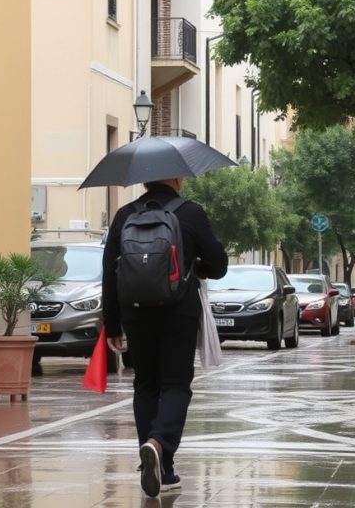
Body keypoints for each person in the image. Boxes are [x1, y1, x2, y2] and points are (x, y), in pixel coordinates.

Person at [102, 177, 228, 498]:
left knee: (145, 384)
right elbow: (219, 265)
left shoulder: (124, 216)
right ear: (175, 178)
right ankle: (158, 444)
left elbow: (109, 272)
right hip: (178, 312)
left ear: (144, 179)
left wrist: (112, 325)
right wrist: (196, 265)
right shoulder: (191, 213)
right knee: (175, 385)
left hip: (134, 313)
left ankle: (160, 468)